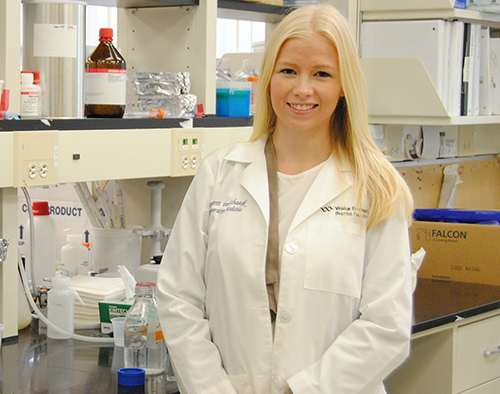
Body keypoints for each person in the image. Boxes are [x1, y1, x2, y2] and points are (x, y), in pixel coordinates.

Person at [157, 4, 414, 394]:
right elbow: (179, 298)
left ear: (344, 85)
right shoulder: (220, 175)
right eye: (288, 71)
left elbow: (386, 326)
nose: (302, 89)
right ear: (269, 79)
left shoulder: (376, 187)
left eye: (322, 74)